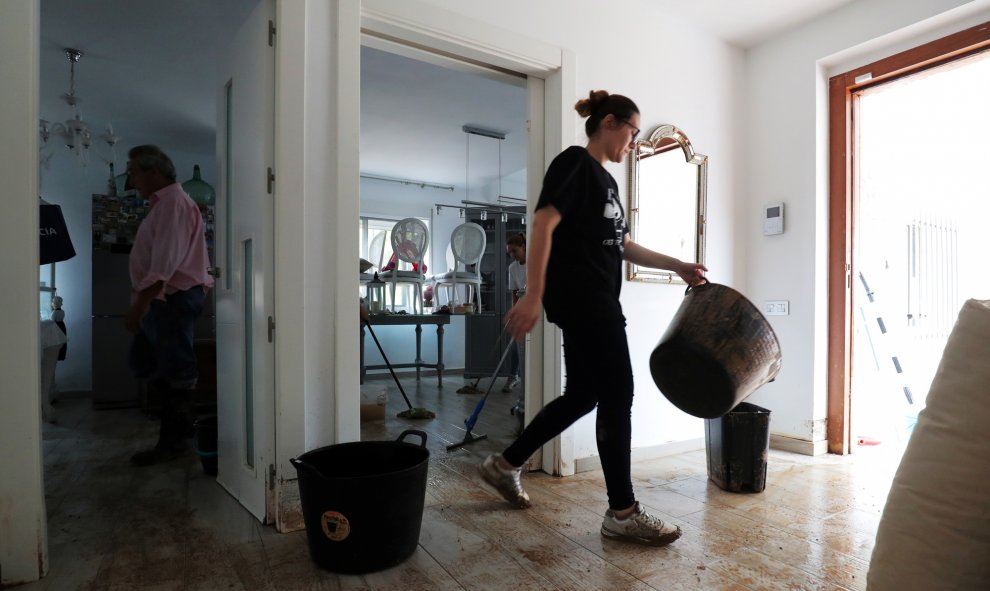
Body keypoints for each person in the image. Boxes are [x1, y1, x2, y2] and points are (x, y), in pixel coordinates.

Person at [478, 90, 707, 547]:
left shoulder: (608, 184)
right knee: (618, 394)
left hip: (597, 298)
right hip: (584, 300)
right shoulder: (573, 165)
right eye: (633, 131)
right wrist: (534, 295)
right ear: (609, 122)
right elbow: (543, 223)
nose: (634, 141)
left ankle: (504, 465)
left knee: (583, 394)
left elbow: (622, 245)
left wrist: (677, 265)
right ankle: (622, 511)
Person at [125, 145, 214, 467]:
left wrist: (140, 305)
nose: (131, 179)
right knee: (151, 364)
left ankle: (175, 442)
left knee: (173, 370)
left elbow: (164, 263)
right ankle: (178, 435)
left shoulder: (174, 204)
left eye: (134, 171)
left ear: (154, 172)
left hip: (172, 298)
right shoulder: (163, 205)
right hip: (166, 299)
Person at [502, 232, 527, 393]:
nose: (512, 255)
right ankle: (513, 376)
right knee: (516, 345)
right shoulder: (512, 268)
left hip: (535, 308)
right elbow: (514, 291)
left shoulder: (535, 262)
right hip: (521, 306)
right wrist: (514, 311)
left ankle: (526, 380)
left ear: (523, 247)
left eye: (514, 251)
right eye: (509, 252)